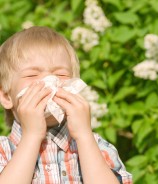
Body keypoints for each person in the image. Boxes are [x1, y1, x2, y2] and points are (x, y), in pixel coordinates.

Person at [0, 26, 132, 184]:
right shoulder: (3, 151)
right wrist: (32, 136)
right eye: (32, 75)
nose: (49, 81)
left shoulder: (95, 146)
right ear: (7, 96)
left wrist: (84, 135)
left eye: (60, 74)